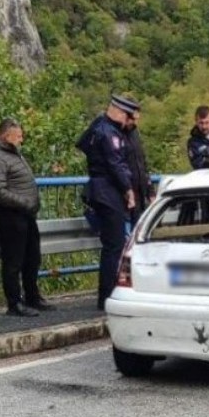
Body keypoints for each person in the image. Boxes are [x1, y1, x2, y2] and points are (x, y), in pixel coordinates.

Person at [0, 118, 52, 317]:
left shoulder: (11, 153)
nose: (21, 139)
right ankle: (14, 303)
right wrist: (24, 202)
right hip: (9, 215)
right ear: (5, 135)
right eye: (18, 136)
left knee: (32, 258)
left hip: (24, 214)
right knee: (14, 261)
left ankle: (33, 297)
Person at [76, 95, 139, 310]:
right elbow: (116, 164)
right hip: (107, 191)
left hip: (100, 189)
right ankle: (108, 296)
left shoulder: (98, 126)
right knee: (114, 247)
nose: (127, 121)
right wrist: (128, 190)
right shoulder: (109, 132)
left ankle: (106, 295)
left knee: (112, 246)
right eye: (128, 115)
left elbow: (82, 144)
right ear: (120, 112)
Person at [123, 108, 154, 227]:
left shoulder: (134, 132)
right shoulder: (116, 134)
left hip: (139, 195)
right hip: (125, 196)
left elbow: (142, 163)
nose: (135, 123)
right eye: (133, 119)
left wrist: (150, 191)